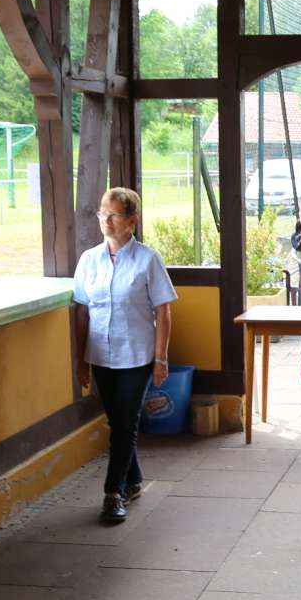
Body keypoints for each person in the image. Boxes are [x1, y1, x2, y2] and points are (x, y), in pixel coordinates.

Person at [72, 187, 176, 523]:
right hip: (101, 355)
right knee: (117, 422)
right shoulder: (89, 260)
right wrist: (79, 360)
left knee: (125, 424)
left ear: (132, 220)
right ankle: (132, 479)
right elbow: (81, 311)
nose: (106, 220)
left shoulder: (148, 259)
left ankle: (113, 492)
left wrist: (160, 359)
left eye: (114, 215)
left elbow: (164, 311)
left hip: (137, 355)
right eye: (103, 213)